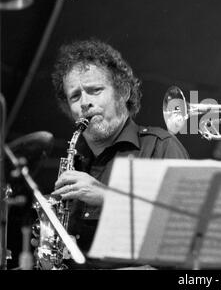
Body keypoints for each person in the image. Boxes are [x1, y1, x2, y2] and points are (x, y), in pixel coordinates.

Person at [49, 39, 189, 268]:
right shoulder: (75, 163)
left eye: (95, 90)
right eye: (75, 96)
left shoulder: (160, 146)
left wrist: (106, 197)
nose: (85, 103)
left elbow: (185, 231)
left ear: (123, 92)